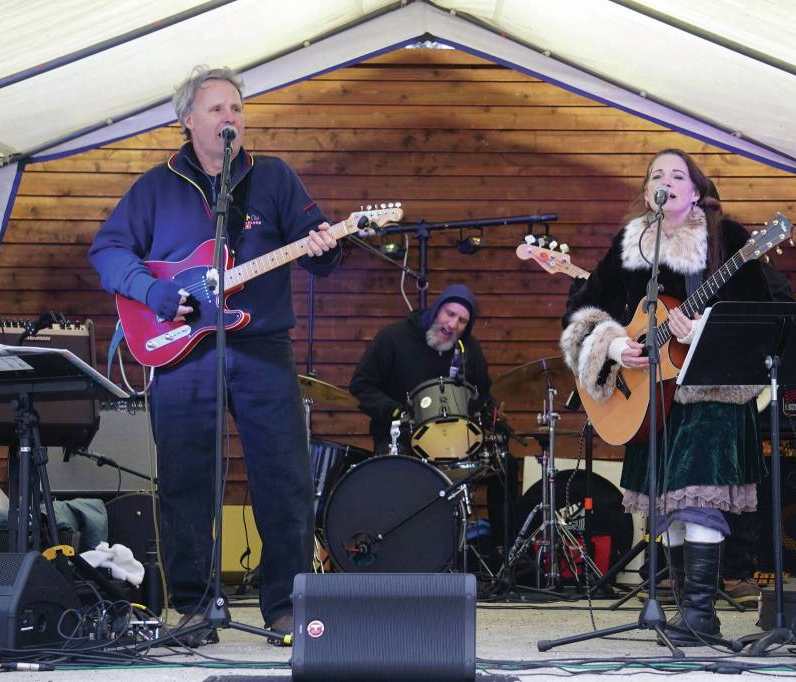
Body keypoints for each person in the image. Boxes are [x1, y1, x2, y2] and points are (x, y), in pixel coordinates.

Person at [88, 65, 341, 644]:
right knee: (185, 481)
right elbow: (108, 250)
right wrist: (154, 292)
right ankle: (194, 606)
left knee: (285, 478)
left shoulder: (274, 178)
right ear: (188, 121)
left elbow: (318, 253)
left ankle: (286, 605)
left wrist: (325, 249)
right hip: (180, 354)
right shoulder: (156, 186)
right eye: (218, 109)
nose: (231, 118)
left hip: (262, 347)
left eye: (237, 108)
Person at [560, 149, 783, 644]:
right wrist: (616, 346)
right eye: (657, 175)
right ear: (648, 194)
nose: (666, 180)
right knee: (671, 504)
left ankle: (701, 615)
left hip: (712, 391)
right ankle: (687, 612)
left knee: (697, 493)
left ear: (697, 191)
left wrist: (705, 324)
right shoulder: (630, 242)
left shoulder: (732, 239)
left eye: (677, 174)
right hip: (648, 396)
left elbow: (767, 312)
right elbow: (583, 307)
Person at [349, 284, 517, 556]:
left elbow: (481, 394)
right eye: (449, 314)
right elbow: (361, 385)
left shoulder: (468, 349)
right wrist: (396, 411)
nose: (452, 324)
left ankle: (505, 555)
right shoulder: (394, 338)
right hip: (401, 443)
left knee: (504, 464)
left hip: (456, 447)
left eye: (462, 320)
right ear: (437, 309)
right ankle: (401, 553)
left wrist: (493, 410)